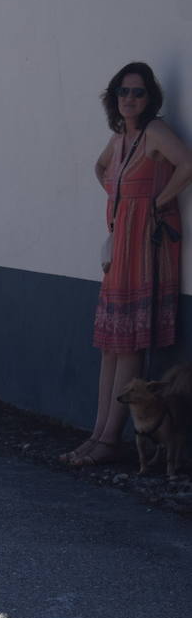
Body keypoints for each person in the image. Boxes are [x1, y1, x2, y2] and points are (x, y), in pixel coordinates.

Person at [61, 62, 191, 467]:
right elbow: (101, 169)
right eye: (123, 92)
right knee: (111, 344)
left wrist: (157, 202)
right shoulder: (120, 137)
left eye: (138, 92)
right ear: (114, 98)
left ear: (149, 97)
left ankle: (109, 440)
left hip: (146, 242)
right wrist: (122, 202)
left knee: (129, 342)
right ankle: (99, 433)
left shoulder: (155, 131)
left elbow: (187, 164)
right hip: (123, 239)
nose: (130, 99)